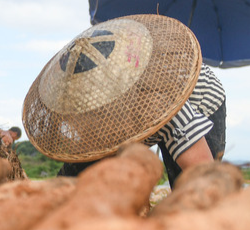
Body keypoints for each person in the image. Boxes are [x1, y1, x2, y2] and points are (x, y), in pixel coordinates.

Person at [59, 65, 226, 188]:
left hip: (198, 95)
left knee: (190, 190)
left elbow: (203, 171)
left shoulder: (154, 102)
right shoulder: (86, 113)